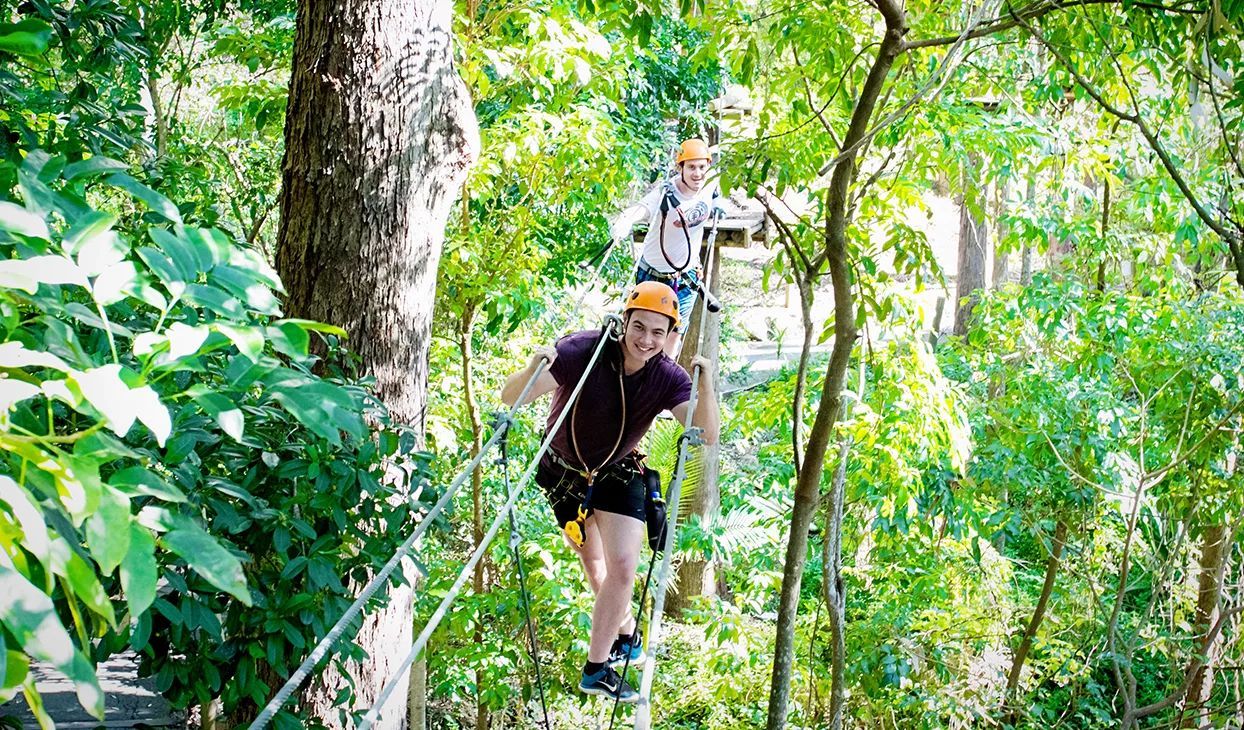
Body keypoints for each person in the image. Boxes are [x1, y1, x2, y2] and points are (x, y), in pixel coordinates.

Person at [500, 281, 720, 703]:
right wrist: (533, 368)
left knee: (622, 565)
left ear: (671, 335)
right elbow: (512, 398)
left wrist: (705, 383)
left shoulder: (667, 377)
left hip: (618, 472)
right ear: (624, 323)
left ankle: (596, 668)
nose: (646, 340)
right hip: (563, 475)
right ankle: (622, 628)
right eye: (639, 328)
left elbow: (706, 434)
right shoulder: (583, 351)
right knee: (593, 562)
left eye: (658, 332)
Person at [609, 138, 725, 357]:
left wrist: (720, 203)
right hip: (653, 277)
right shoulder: (667, 193)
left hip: (686, 277)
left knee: (673, 337)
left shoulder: (710, 184)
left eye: (702, 167)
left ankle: (662, 386)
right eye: (691, 167)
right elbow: (643, 208)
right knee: (643, 340)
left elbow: (717, 190)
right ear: (680, 168)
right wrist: (625, 221)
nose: (697, 173)